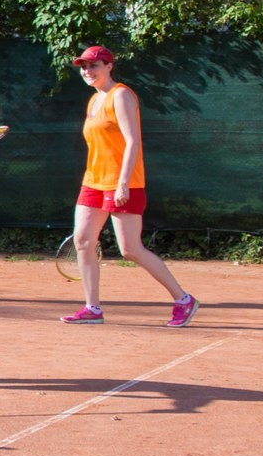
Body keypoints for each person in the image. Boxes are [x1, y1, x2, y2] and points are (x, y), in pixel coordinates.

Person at [65, 46, 194, 326]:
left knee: (130, 249)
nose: (87, 71)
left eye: (93, 65)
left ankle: (184, 300)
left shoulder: (121, 95)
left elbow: (132, 140)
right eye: (83, 67)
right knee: (83, 241)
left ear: (109, 66)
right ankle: (92, 308)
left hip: (123, 182)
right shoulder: (94, 100)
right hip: (93, 181)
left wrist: (123, 182)